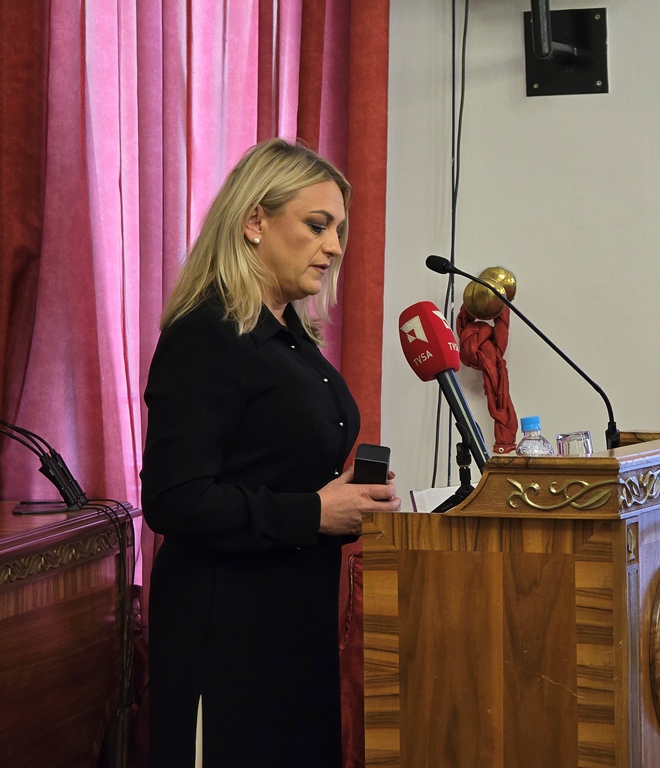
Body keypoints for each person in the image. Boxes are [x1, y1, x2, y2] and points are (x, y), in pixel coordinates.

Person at [140, 138, 401, 768]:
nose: (334, 246)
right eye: (317, 225)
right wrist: (314, 512)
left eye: (339, 230)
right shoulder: (207, 334)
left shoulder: (293, 336)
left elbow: (276, 470)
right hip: (225, 639)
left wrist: (346, 499)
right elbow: (174, 499)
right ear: (255, 220)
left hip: (295, 628)